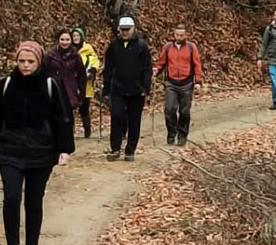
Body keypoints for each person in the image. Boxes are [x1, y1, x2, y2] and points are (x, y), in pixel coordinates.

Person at [0, 41, 74, 245]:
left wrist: (64, 149)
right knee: (11, 198)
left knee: (33, 201)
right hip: (10, 150)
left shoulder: (50, 85)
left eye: (30, 61)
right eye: (21, 61)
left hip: (41, 153)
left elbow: (62, 118)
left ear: (39, 62)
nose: (26, 66)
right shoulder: (6, 85)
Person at [101, 16, 152, 161]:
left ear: (133, 29)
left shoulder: (141, 46)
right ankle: (115, 148)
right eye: (122, 30)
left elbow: (147, 69)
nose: (124, 33)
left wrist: (145, 88)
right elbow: (109, 68)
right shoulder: (114, 45)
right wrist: (106, 88)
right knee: (117, 116)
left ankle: (130, 149)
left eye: (127, 30)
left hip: (136, 90)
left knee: (134, 120)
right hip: (118, 88)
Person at [156, 23, 203, 146]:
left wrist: (198, 82)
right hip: (171, 83)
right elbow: (161, 63)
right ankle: (171, 132)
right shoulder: (167, 47)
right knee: (169, 109)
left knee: (185, 111)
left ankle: (182, 135)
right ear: (174, 34)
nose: (179, 37)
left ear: (185, 35)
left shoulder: (191, 47)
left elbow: (197, 64)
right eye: (177, 35)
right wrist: (155, 71)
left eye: (182, 35)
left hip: (186, 83)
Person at [47, 30, 88, 136]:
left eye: (67, 40)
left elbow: (81, 75)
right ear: (58, 40)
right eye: (62, 39)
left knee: (68, 116)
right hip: (54, 88)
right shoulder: (51, 55)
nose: (64, 42)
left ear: (71, 41)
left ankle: (68, 137)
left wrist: (81, 91)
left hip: (70, 89)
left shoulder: (75, 55)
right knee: (54, 114)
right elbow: (44, 71)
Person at [70, 27, 101, 138]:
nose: (76, 38)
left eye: (78, 36)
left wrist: (93, 69)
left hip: (85, 84)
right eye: (74, 36)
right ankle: (70, 132)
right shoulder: (69, 50)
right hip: (71, 84)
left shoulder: (88, 48)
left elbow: (95, 60)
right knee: (69, 109)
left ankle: (87, 131)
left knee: (84, 108)